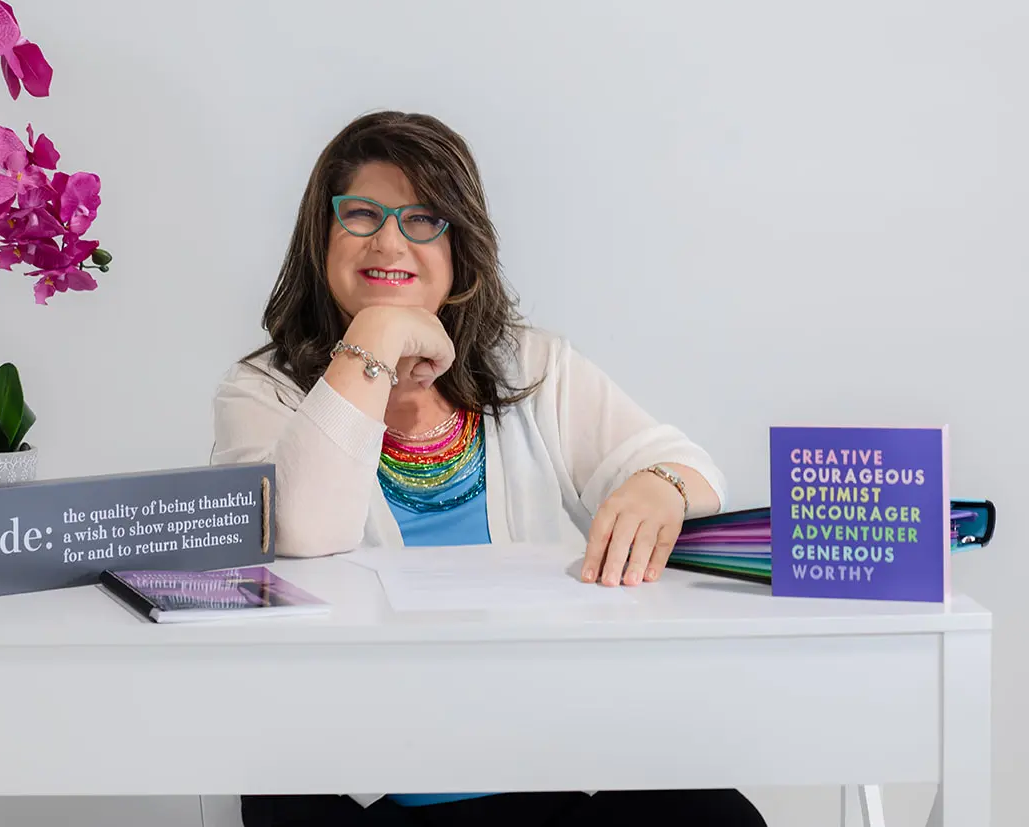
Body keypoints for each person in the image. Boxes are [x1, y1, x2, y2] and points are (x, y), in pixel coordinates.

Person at [211, 111, 766, 827]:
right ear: (322, 236)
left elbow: (687, 467)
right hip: (361, 784)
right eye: (362, 215)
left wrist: (656, 486)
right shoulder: (262, 391)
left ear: (460, 245)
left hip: (547, 765)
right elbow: (299, 529)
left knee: (717, 816)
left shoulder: (532, 367)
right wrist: (377, 332)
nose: (389, 240)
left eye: (422, 220)